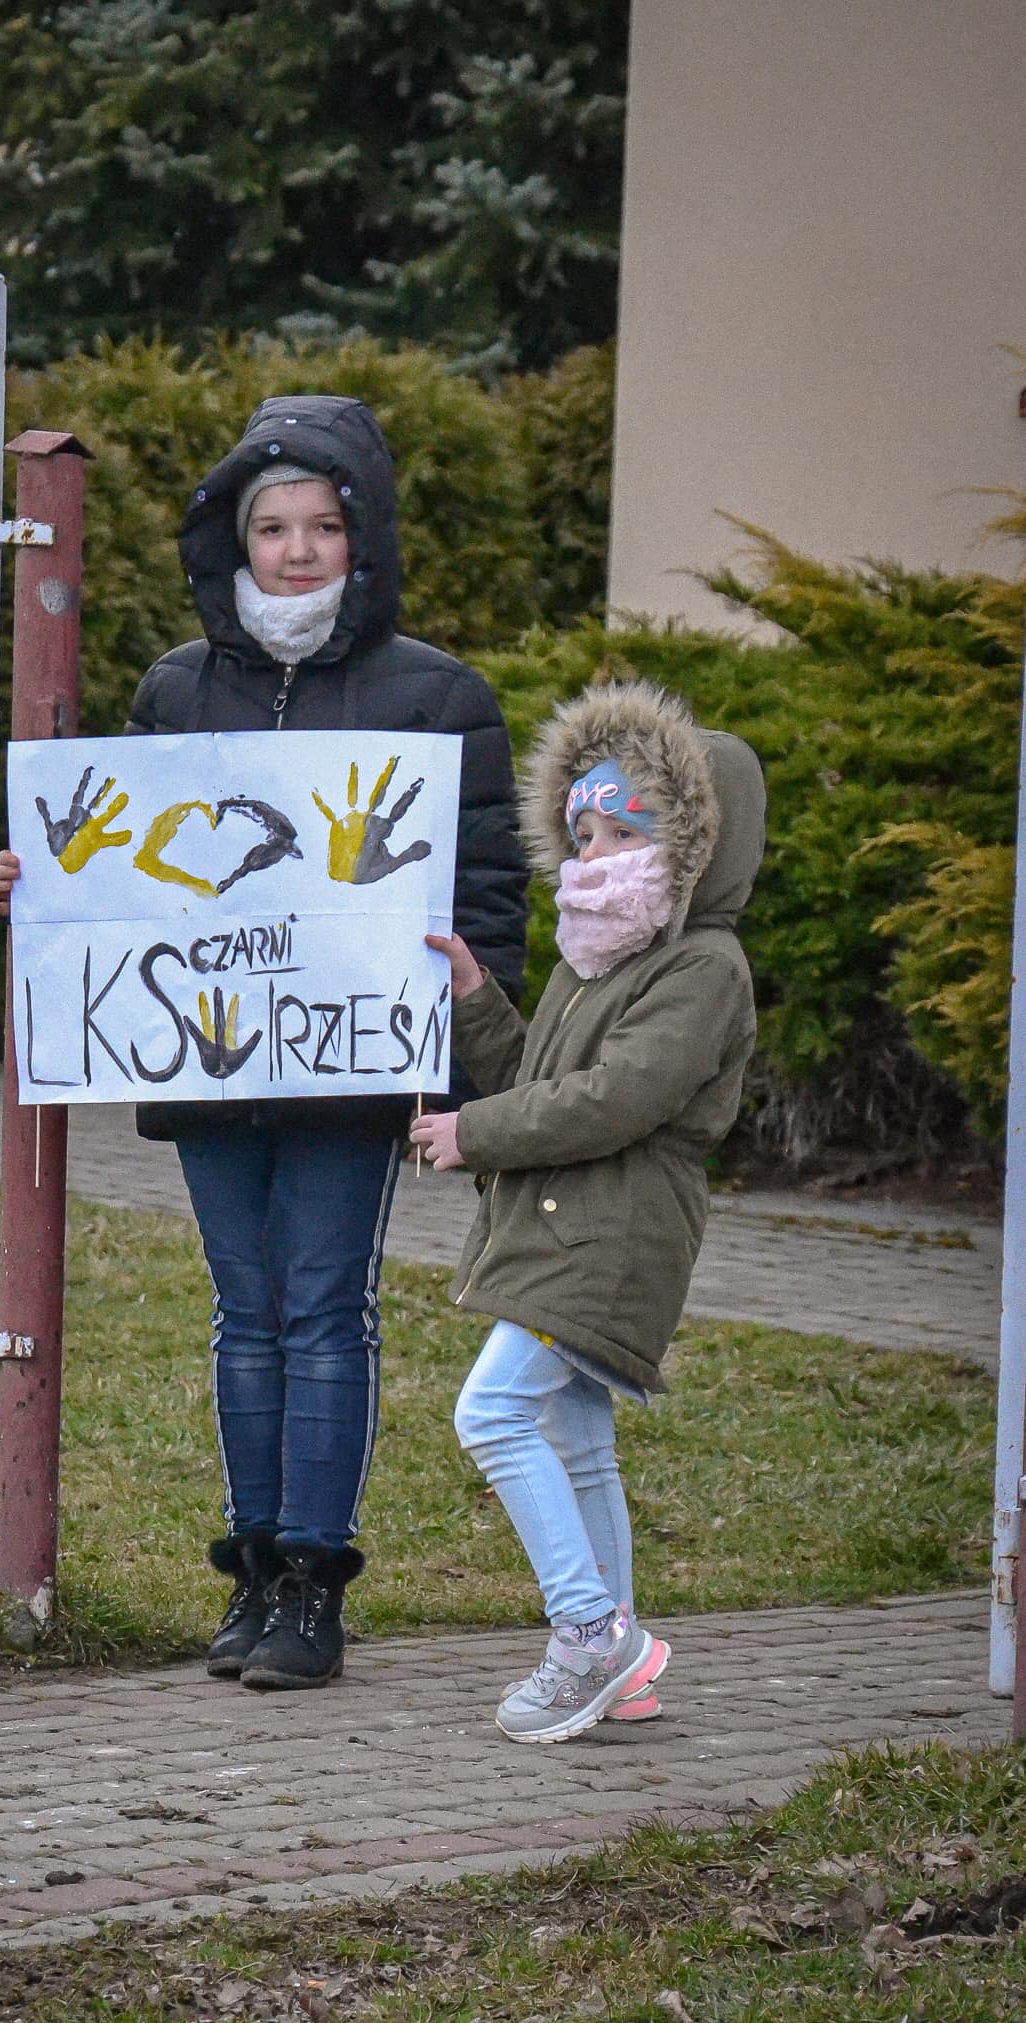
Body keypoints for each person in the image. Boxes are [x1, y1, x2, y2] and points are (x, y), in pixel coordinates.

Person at [0, 394, 528, 1690]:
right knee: (244, 1313)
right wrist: (41, 884)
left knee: (321, 1309)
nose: (296, 549)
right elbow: (124, 866)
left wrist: (461, 1014)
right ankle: (249, 1576)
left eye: (324, 526)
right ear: (231, 540)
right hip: (216, 1054)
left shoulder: (437, 696)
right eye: (272, 525)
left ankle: (310, 1585)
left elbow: (489, 894)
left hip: (350, 1060)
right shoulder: (178, 686)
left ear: (365, 539)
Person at [412, 677, 765, 1741]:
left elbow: (615, 1098)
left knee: (493, 1411)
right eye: (583, 829)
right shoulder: (593, 951)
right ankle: (626, 1663)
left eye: (625, 827)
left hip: (613, 1234)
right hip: (562, 1224)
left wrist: (473, 1132)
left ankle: (589, 1634)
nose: (597, 848)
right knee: (576, 1439)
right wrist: (477, 999)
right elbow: (538, 1068)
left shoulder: (701, 966)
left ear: (699, 843)